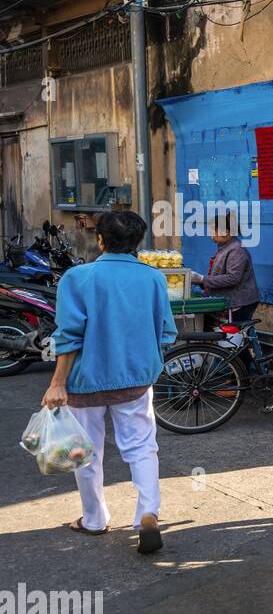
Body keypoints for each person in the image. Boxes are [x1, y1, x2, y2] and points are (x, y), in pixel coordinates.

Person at [42, 211, 177, 554]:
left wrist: (57, 383)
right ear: (137, 242)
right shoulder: (153, 279)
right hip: (135, 380)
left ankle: (95, 519)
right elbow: (166, 332)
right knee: (142, 447)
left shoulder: (78, 278)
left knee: (85, 453)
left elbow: (68, 337)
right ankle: (147, 513)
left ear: (100, 240)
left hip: (86, 383)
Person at [194, 210, 260, 322]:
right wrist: (201, 282)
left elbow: (232, 278)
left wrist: (202, 279)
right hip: (230, 301)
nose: (211, 235)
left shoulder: (236, 250)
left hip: (240, 303)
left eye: (213, 232)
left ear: (225, 232)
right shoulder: (225, 247)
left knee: (235, 336)